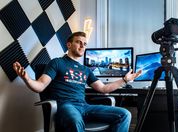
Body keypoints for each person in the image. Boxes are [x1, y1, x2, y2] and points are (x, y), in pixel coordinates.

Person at [13, 31, 142, 132]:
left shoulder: (86, 70)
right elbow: (40, 86)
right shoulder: (57, 62)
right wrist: (26, 78)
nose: (82, 46)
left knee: (125, 114)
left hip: (84, 106)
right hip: (66, 105)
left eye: (85, 44)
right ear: (69, 44)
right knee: (75, 120)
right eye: (79, 42)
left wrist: (125, 79)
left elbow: (103, 89)